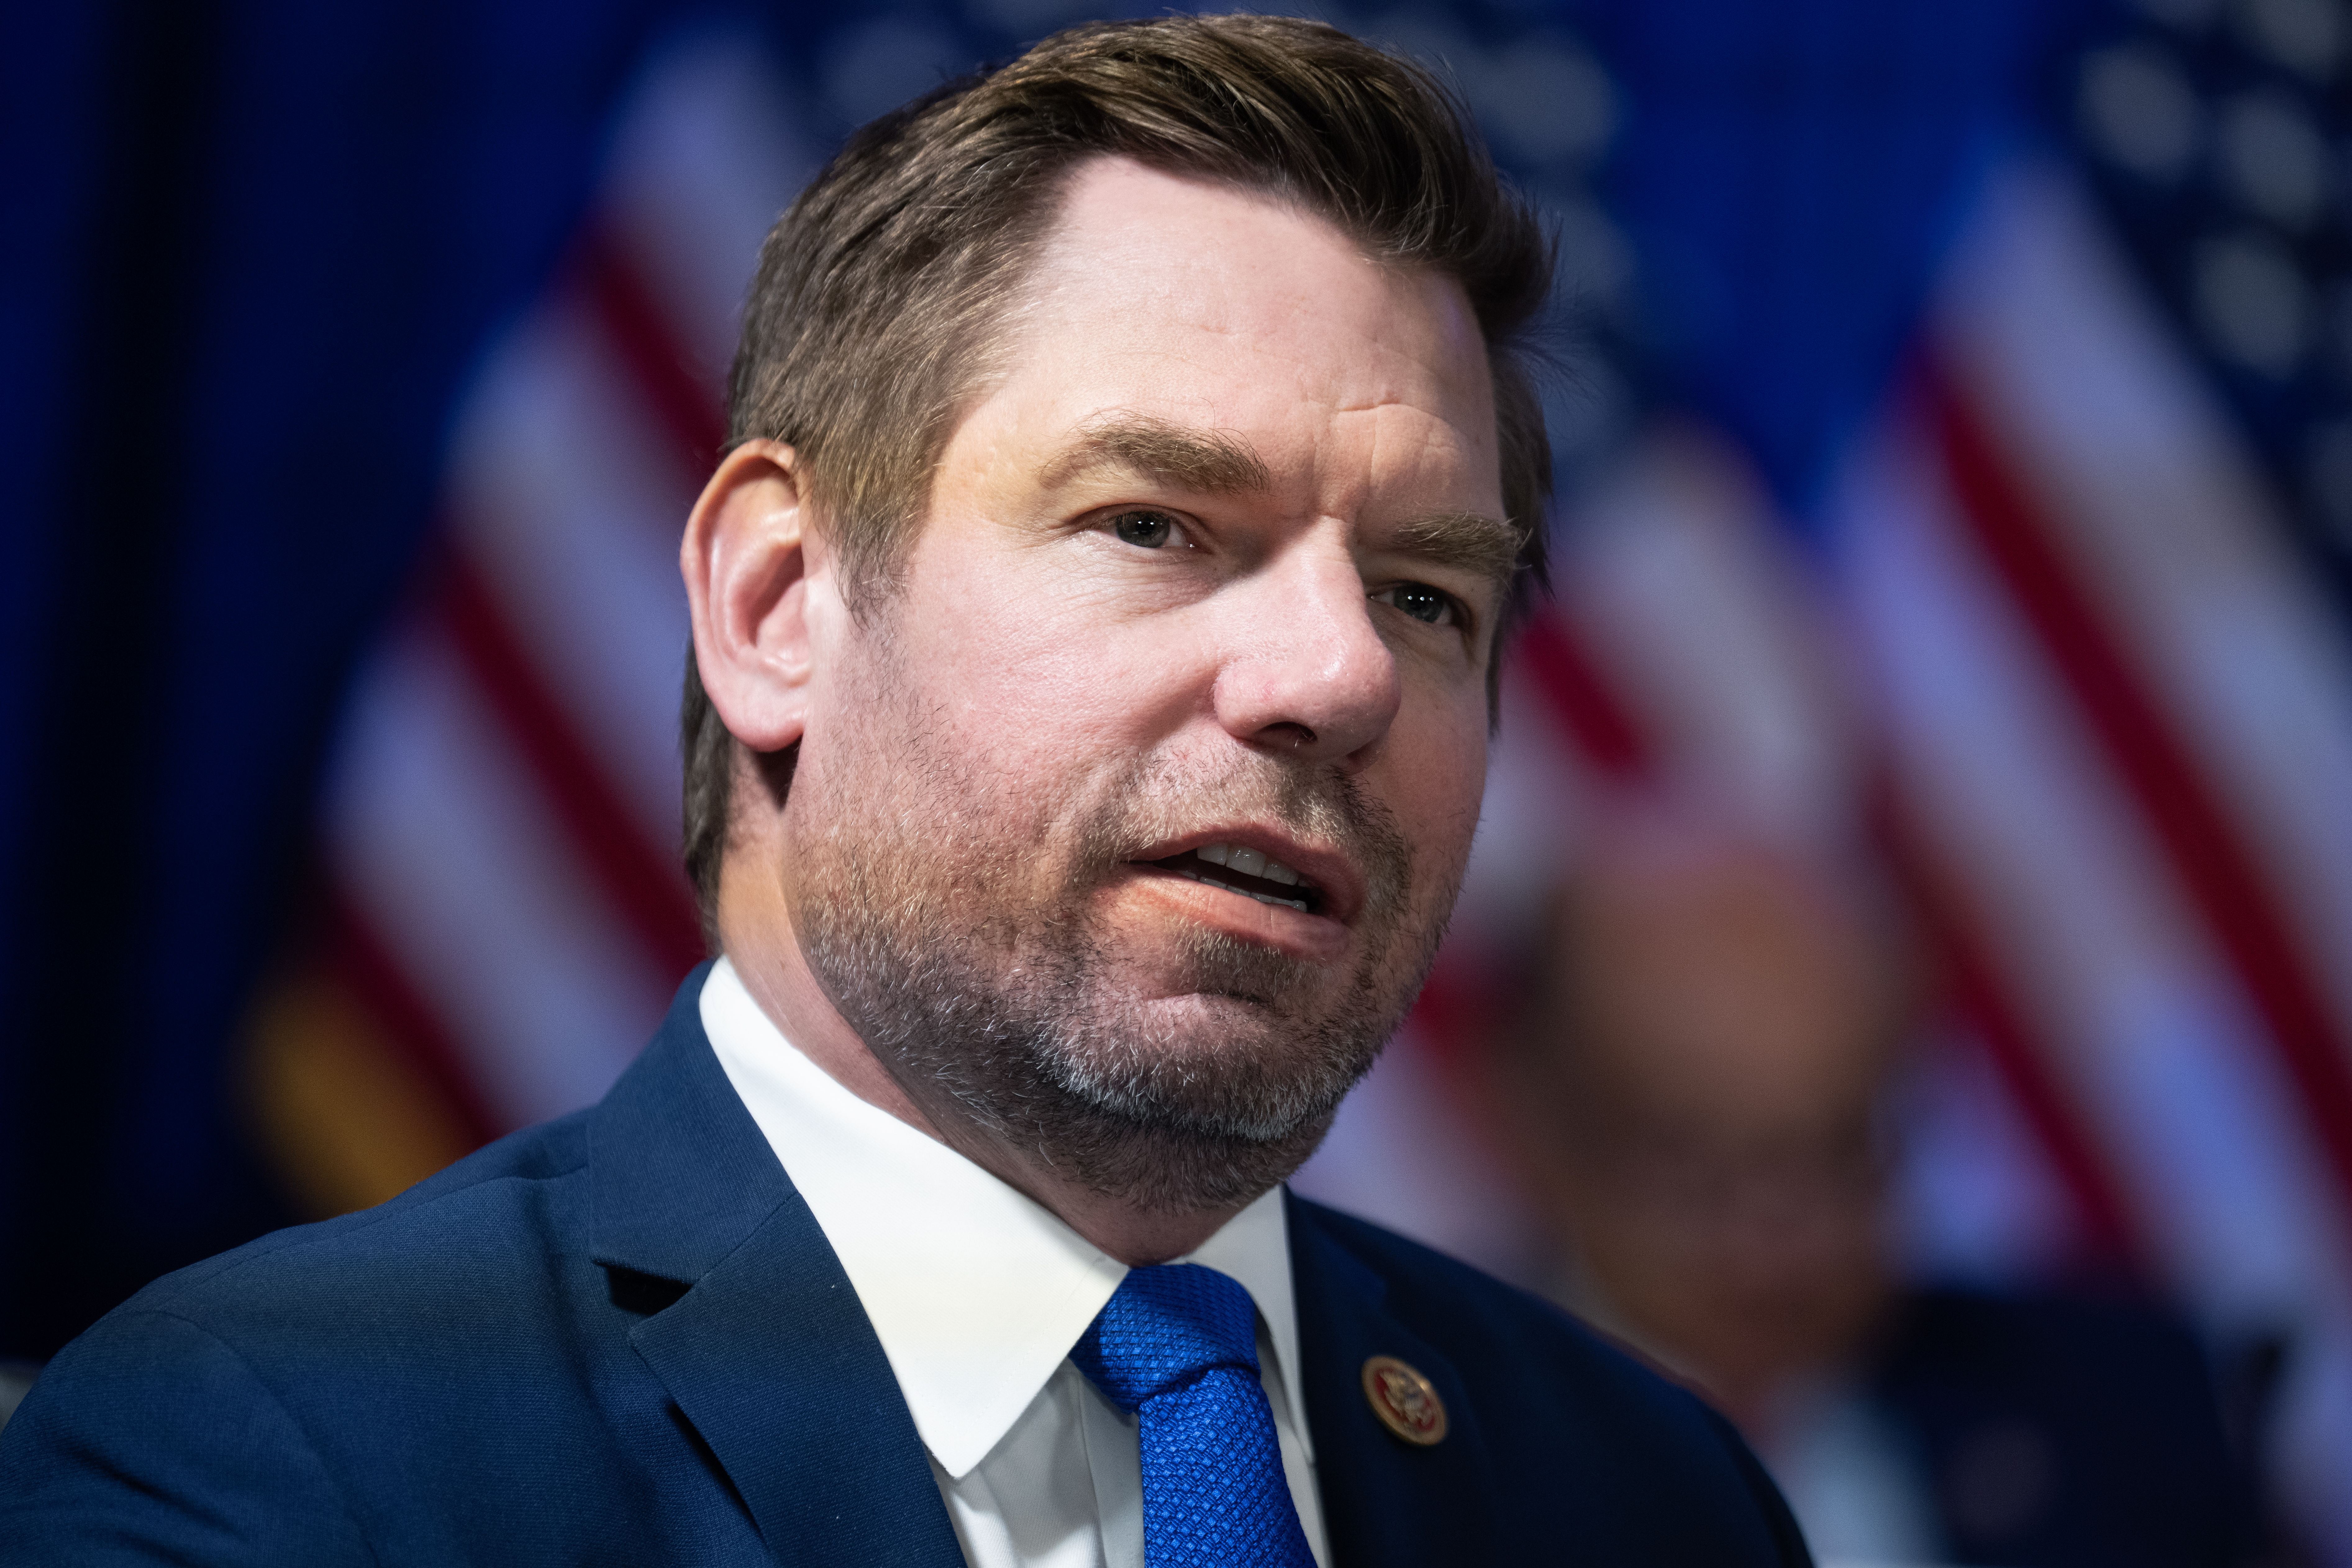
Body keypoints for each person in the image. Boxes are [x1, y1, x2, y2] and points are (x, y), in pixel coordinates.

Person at [0, 17, 1809, 1566]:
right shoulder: (278, 1468)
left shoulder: (1643, 1495)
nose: (1337, 674)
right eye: (1155, 522)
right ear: (778, 605)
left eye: (1426, 593)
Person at [1491, 815, 2250, 1566]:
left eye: (1838, 1153)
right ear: (1535, 1118)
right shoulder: (1423, 1457)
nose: (1770, 1247)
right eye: (1692, 1169)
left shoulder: (2125, 1413)